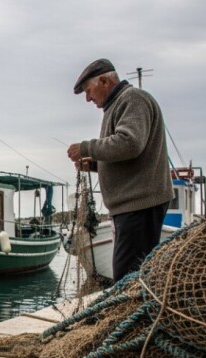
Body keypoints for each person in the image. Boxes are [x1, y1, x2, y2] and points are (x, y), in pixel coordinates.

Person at [66, 58, 172, 282]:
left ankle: (139, 316)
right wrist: (93, 165)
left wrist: (87, 147)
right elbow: (124, 154)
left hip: (139, 204)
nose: (88, 98)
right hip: (130, 207)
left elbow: (130, 143)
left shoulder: (132, 99)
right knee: (130, 275)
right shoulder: (117, 106)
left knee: (128, 278)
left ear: (104, 81)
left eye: (88, 91)